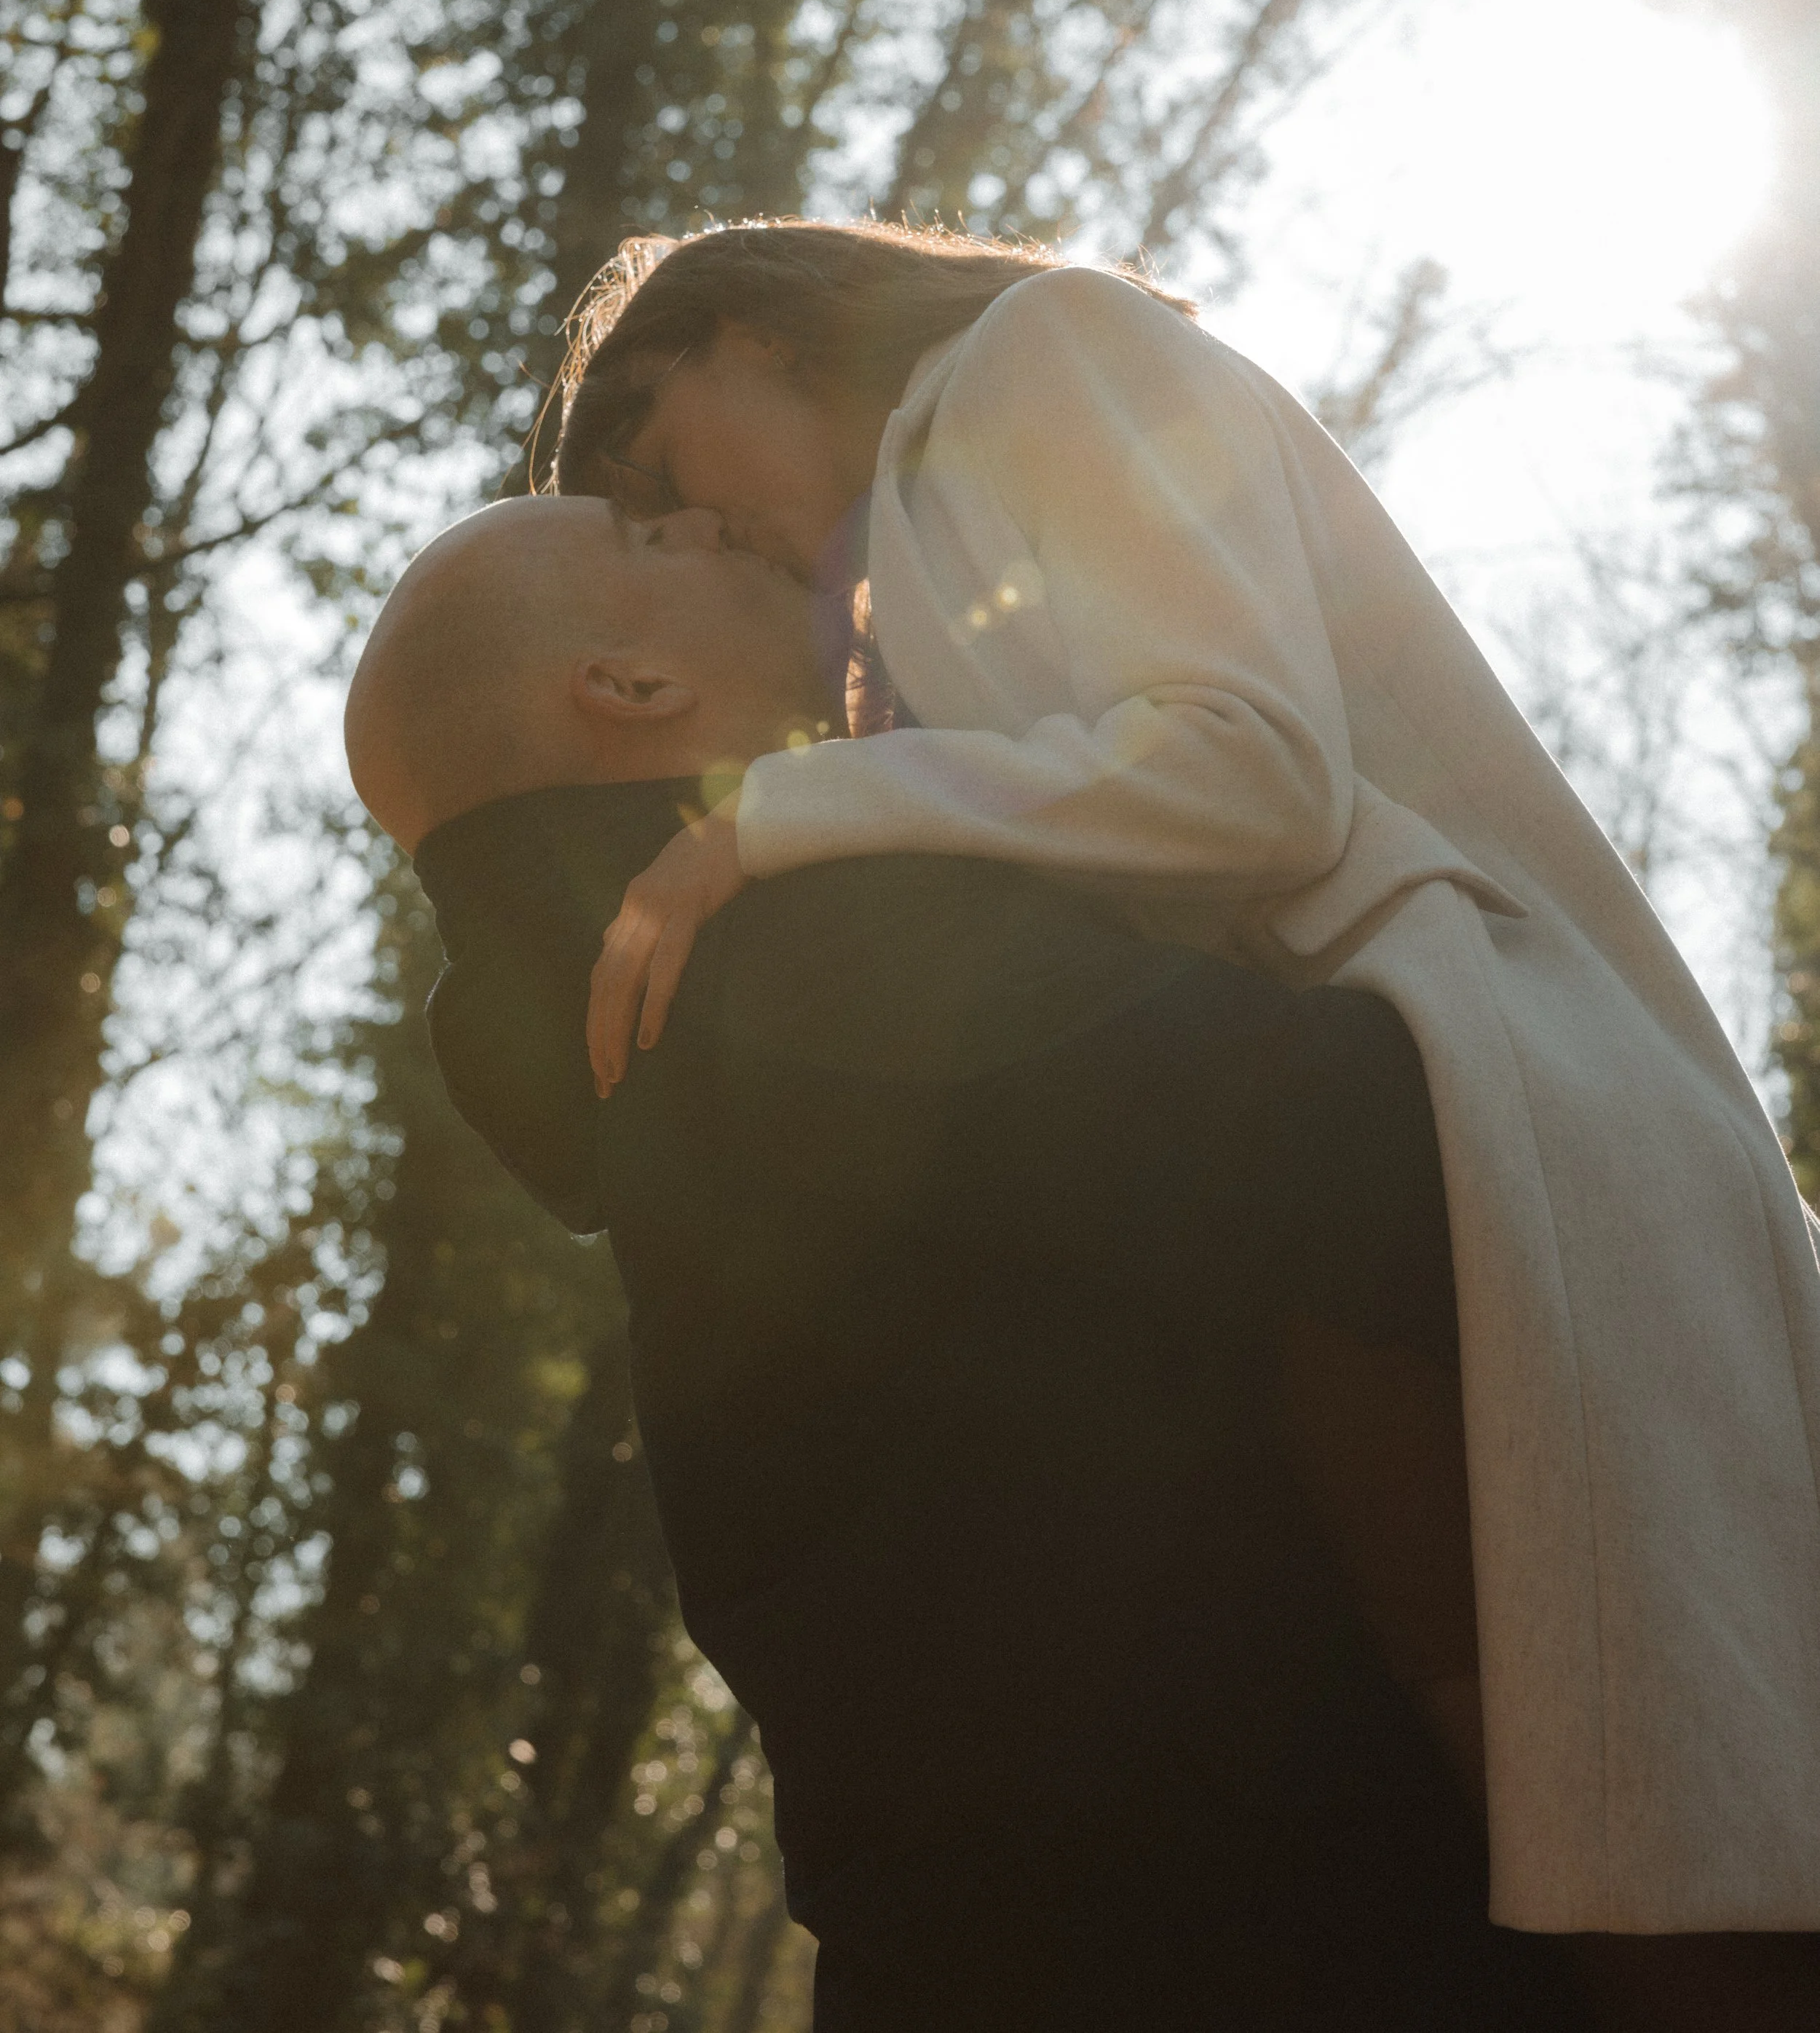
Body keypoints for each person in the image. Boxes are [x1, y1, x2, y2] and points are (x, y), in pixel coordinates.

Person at [548, 220, 1820, 1943]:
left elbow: (1253, 772)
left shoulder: (1042, 351)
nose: (692, 521)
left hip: (1485, 1104)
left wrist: (777, 815)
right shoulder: (904, 565)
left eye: (651, 455)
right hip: (1332, 1200)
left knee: (1670, 1906)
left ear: (759, 332)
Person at [345, 494, 1602, 2032]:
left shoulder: (681, 1035)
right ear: (629, 688)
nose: (697, 517)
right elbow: (1388, 1155)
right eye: (642, 532)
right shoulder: (812, 947)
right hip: (1244, 1927)